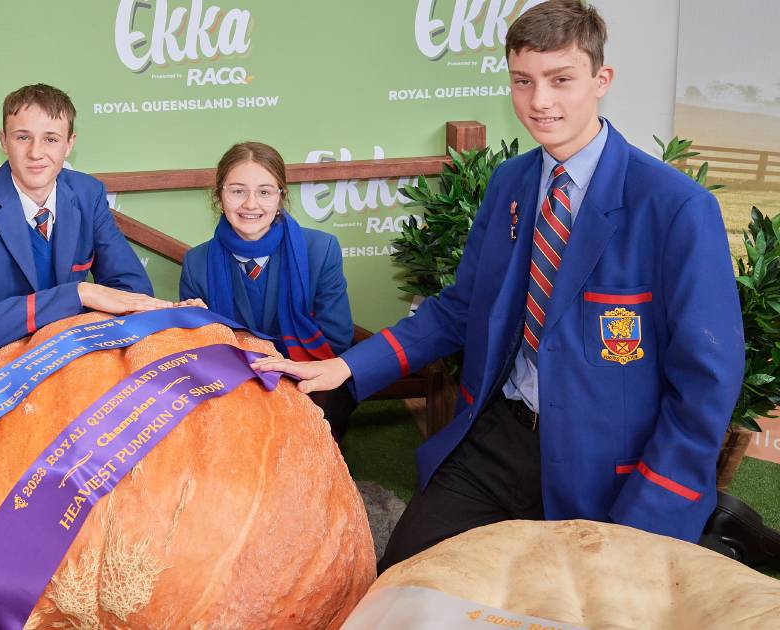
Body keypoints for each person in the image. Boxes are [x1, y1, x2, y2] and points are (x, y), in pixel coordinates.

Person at [253, 0, 744, 572]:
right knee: (405, 579)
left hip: (608, 470)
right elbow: (463, 308)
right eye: (523, 81)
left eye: (561, 79)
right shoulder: (510, 183)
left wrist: (649, 515)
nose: (541, 101)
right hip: (499, 438)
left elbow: (705, 384)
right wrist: (348, 367)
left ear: (600, 80)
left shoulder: (677, 207)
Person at [0, 83, 170, 408]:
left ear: (69, 145)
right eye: (22, 137)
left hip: (64, 381)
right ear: (3, 141)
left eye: (51, 139)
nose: (36, 152)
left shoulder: (87, 194)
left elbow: (134, 291)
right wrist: (80, 295)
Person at [180, 141, 355, 440]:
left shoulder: (320, 249)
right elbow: (198, 356)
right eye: (237, 191)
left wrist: (279, 374)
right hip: (234, 384)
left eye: (264, 191)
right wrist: (193, 325)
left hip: (307, 380)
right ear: (219, 197)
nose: (251, 204)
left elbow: (336, 338)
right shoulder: (196, 262)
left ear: (280, 197)